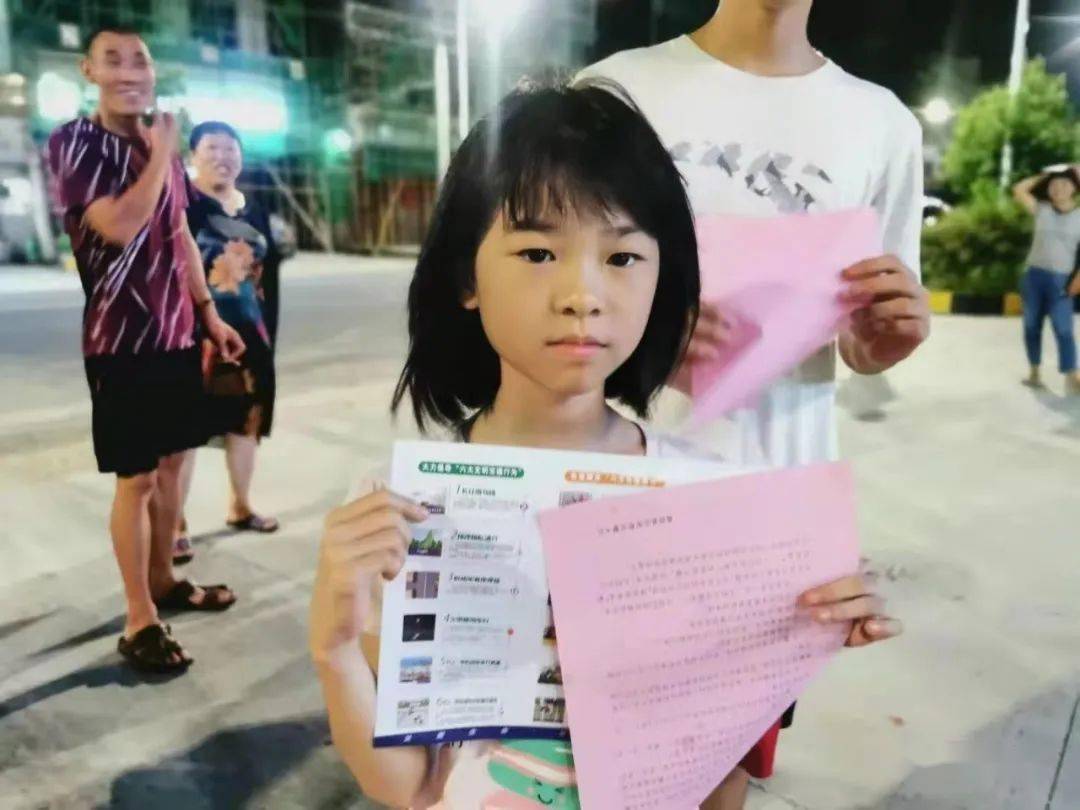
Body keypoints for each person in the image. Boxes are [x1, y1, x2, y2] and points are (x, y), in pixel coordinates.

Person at [308, 81, 901, 810]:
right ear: (466, 276)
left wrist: (795, 633)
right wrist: (334, 648)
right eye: (537, 252)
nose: (582, 295)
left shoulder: (713, 502)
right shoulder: (397, 509)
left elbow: (718, 778)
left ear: (661, 278)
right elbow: (407, 787)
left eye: (621, 258)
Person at [578, 0, 931, 468]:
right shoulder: (614, 91)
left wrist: (878, 347)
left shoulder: (884, 123)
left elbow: (862, 336)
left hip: (782, 480)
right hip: (616, 470)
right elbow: (550, 283)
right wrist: (646, 331)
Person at [46, 28, 240, 673]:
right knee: (135, 480)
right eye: (114, 60)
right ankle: (139, 619)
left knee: (173, 466)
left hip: (176, 335)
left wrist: (207, 313)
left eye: (141, 61)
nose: (129, 71)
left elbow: (177, 229)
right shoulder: (76, 142)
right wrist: (161, 153)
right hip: (120, 342)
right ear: (90, 71)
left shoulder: (158, 147)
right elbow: (120, 224)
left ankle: (164, 580)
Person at [172, 121, 282, 565]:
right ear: (193, 156)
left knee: (246, 423)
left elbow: (267, 278)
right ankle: (175, 524)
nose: (222, 156)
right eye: (212, 148)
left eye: (230, 148)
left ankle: (241, 505)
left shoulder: (254, 209)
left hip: (251, 335)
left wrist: (269, 335)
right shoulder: (181, 204)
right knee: (184, 431)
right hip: (192, 337)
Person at [1012, 166, 1080, 394]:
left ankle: (1072, 375)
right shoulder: (1041, 209)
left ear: (1074, 189)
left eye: (1064, 184)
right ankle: (1034, 371)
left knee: (1064, 328)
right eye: (1054, 185)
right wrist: (1045, 175)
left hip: (1062, 280)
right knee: (1031, 325)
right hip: (1034, 276)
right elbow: (1019, 190)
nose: (1058, 188)